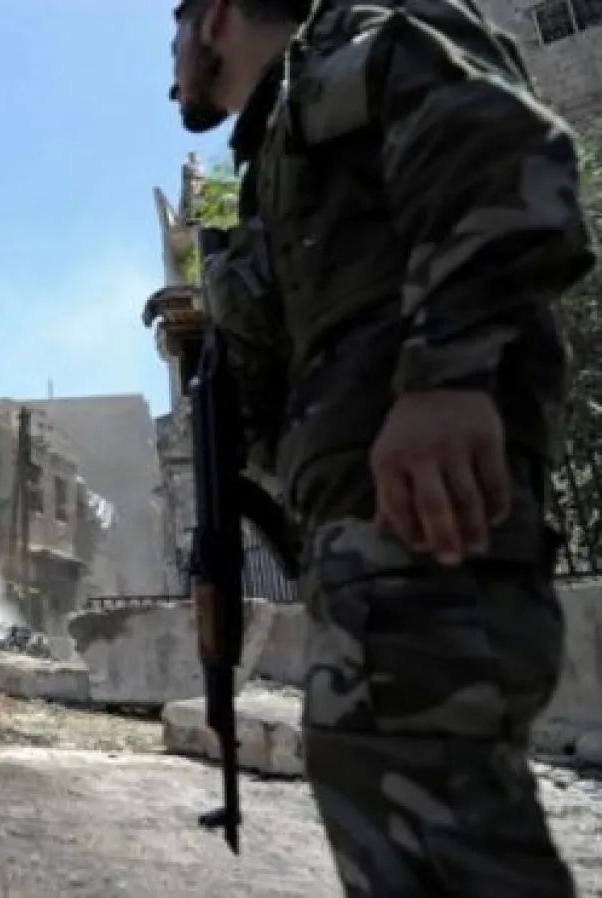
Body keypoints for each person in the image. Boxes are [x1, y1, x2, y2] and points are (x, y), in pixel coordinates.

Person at [169, 0, 596, 895]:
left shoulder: (358, 51)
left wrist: (446, 376)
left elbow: (517, 155)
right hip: (367, 539)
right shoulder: (279, 160)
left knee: (436, 830)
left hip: (424, 512)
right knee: (399, 817)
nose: (168, 66)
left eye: (171, 30)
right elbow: (296, 371)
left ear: (212, 18)